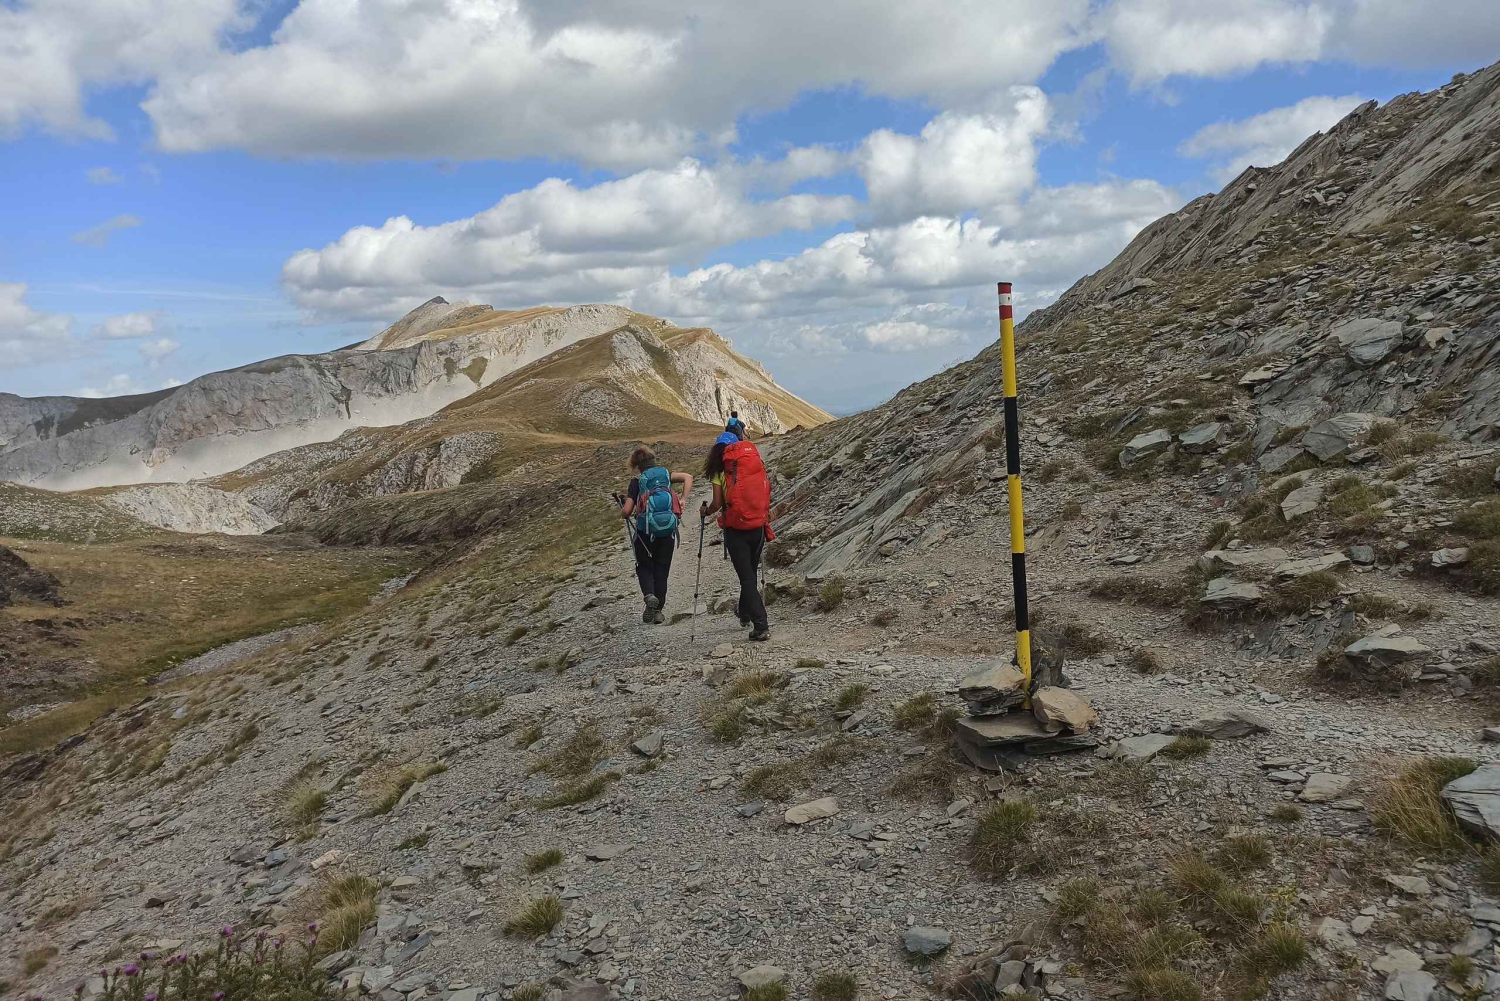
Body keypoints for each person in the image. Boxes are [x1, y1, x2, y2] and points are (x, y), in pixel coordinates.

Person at [700, 432, 772, 641]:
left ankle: (761, 625)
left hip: (735, 528)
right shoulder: (752, 463)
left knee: (746, 577)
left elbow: (716, 503)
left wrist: (706, 512)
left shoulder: (719, 471)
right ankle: (744, 613)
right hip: (758, 525)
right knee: (750, 573)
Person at [619, 446, 692, 624]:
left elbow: (627, 511)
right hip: (667, 530)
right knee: (662, 569)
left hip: (645, 532)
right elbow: (688, 477)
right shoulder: (665, 475)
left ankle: (649, 595)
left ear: (637, 465)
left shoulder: (637, 482)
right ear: (653, 460)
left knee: (644, 566)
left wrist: (623, 506)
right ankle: (658, 611)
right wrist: (683, 500)